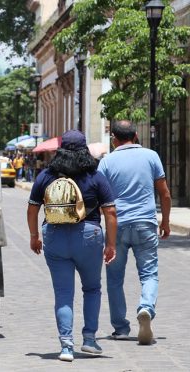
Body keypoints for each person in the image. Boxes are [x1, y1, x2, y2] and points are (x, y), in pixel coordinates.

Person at [27, 130, 117, 362]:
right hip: (88, 236)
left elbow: (32, 208)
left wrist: (34, 236)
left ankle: (66, 346)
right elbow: (110, 212)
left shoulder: (47, 175)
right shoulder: (94, 175)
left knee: (63, 293)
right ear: (85, 149)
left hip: (55, 236)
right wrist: (110, 244)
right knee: (92, 288)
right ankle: (89, 339)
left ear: (61, 149)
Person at [97, 120, 171, 345]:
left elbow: (99, 198)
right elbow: (165, 193)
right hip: (145, 224)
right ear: (136, 136)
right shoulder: (151, 156)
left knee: (114, 278)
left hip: (116, 225)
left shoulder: (106, 162)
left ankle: (120, 328)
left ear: (114, 139)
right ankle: (146, 307)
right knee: (149, 273)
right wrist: (165, 222)